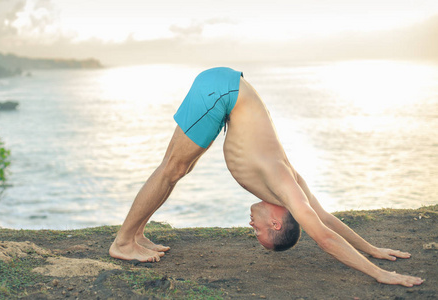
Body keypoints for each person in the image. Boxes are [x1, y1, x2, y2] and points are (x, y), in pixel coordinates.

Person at [109, 67, 424, 287]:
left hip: (227, 90)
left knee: (179, 168)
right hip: (221, 91)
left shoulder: (292, 190)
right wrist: (378, 272)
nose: (251, 227)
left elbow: (324, 218)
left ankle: (135, 236)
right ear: (276, 224)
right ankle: (124, 241)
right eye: (258, 232)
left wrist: (372, 249)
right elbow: (324, 237)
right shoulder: (286, 188)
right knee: (173, 168)